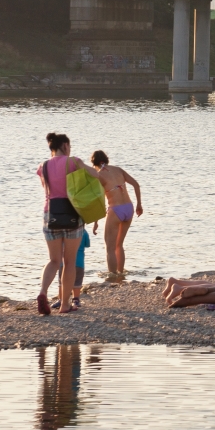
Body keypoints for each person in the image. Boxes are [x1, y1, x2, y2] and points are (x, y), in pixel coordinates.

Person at [37, 132, 93, 315]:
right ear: (65, 146)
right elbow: (94, 175)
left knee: (54, 260)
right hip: (71, 214)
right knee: (69, 262)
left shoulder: (42, 166)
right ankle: (65, 305)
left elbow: (48, 189)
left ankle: (43, 292)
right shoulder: (73, 162)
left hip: (50, 214)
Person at [90, 150, 142, 276]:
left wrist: (96, 222)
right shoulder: (118, 170)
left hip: (116, 210)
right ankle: (121, 273)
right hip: (129, 209)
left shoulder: (99, 175)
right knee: (119, 245)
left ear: (94, 163)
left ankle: (113, 276)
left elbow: (99, 200)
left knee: (110, 248)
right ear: (106, 159)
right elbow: (136, 184)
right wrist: (139, 205)